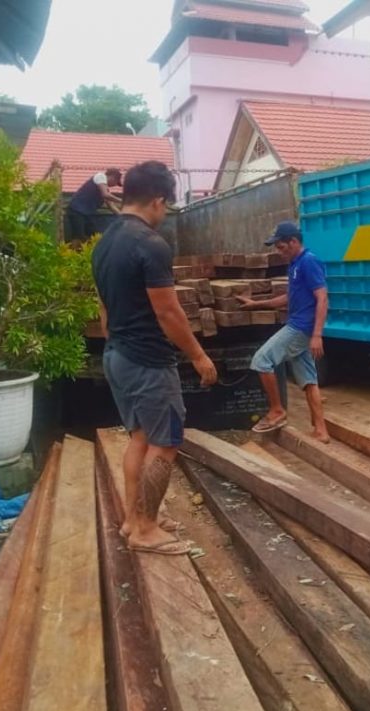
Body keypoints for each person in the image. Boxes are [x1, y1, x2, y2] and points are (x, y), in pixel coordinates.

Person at [92, 160, 217, 555]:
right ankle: (145, 529)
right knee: (166, 444)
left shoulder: (105, 241)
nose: (165, 215)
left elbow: (104, 308)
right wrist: (199, 356)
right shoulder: (150, 244)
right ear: (158, 200)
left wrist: (118, 343)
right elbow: (168, 312)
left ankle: (134, 519)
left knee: (140, 439)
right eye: (166, 207)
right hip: (147, 360)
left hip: (116, 355)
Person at [237, 221, 330, 443]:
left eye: (281, 246)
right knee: (309, 381)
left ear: (294, 242)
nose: (278, 251)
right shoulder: (295, 264)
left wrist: (317, 335)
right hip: (300, 325)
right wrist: (255, 304)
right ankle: (321, 431)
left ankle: (277, 410)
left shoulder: (309, 261)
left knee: (261, 360)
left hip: (300, 327)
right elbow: (288, 298)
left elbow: (322, 297)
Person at [68, 167, 123, 242]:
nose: (114, 185)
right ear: (113, 177)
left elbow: (111, 206)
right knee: (78, 236)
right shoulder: (100, 176)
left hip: (87, 214)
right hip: (77, 210)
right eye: (116, 183)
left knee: (94, 235)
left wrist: (123, 216)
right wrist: (121, 200)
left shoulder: (105, 189)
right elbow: (105, 195)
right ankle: (74, 252)